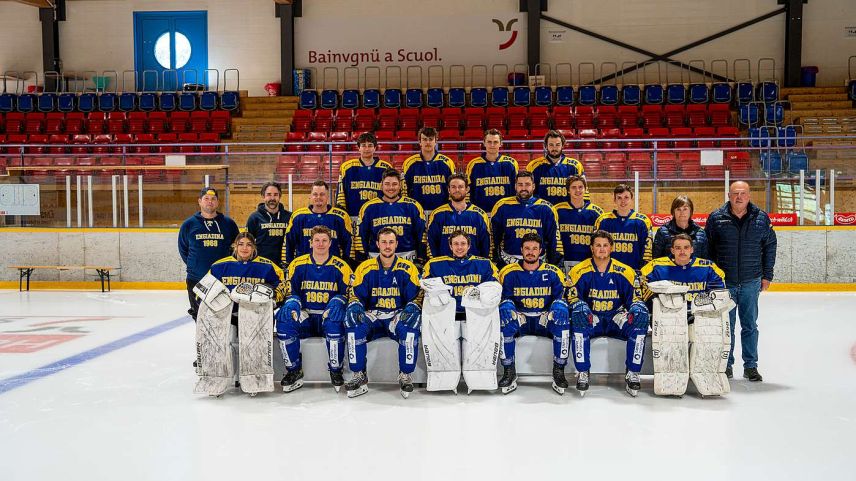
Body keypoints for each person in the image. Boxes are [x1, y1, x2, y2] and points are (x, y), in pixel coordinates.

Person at [640, 234, 729, 396]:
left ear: (692, 249)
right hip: (668, 318)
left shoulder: (707, 267)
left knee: (709, 336)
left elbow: (719, 293)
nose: (682, 251)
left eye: (686, 248)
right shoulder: (655, 266)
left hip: (697, 317)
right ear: (672, 250)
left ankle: (707, 378)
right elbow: (643, 288)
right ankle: (670, 380)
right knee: (673, 337)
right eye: (678, 248)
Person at [705, 181, 776, 382]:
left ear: (749, 195)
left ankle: (751, 366)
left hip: (751, 281)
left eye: (743, 193)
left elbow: (770, 246)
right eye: (735, 193)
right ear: (728, 194)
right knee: (726, 326)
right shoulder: (716, 218)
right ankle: (726, 365)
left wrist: (766, 275)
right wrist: (711, 277)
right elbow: (707, 249)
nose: (739, 197)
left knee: (750, 325)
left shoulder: (761, 218)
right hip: (724, 283)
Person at [200, 232, 286, 395]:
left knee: (255, 344)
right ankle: (215, 376)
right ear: (235, 246)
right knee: (216, 340)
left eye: (248, 244)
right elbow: (206, 290)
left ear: (254, 247)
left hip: (256, 316)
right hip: (227, 316)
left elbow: (280, 287)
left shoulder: (267, 266)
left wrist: (274, 297)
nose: (244, 248)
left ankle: (255, 377)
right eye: (241, 244)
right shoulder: (219, 266)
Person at [344, 227, 423, 398]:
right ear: (378, 244)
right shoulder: (365, 267)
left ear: (396, 244)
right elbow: (355, 295)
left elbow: (417, 296)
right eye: (384, 242)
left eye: (391, 242)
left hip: (396, 315)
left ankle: (405, 374)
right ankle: (359, 375)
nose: (387, 246)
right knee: (353, 327)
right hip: (373, 315)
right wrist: (355, 304)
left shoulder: (408, 268)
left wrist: (413, 306)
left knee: (410, 330)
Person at [569, 230, 649, 397]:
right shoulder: (578, 270)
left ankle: (633, 372)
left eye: (605, 245)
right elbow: (572, 297)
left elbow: (635, 299)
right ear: (591, 248)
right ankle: (583, 371)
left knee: (640, 318)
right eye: (598, 245)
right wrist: (579, 306)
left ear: (611, 248)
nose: (602, 248)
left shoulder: (625, 271)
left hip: (616, 317)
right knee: (579, 316)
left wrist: (636, 307)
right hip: (593, 316)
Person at [276, 226, 353, 393]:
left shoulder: (341, 266)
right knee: (284, 323)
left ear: (330, 243)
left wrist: (338, 301)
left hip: (327, 315)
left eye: (324, 240)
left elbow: (348, 292)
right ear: (310, 243)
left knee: (335, 323)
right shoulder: (298, 264)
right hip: (305, 314)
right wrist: (292, 303)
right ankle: (294, 370)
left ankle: (336, 370)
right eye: (317, 240)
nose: (320, 244)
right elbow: (290, 291)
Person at [497, 233, 571, 395]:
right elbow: (505, 297)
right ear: (521, 250)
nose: (531, 252)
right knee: (504, 321)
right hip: (521, 317)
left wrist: (559, 306)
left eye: (534, 249)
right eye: (527, 248)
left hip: (543, 318)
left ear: (541, 251)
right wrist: (506, 305)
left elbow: (561, 298)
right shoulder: (508, 272)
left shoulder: (553, 272)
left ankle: (559, 370)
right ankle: (509, 370)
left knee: (563, 324)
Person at [178, 187, 240, 321]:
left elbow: (237, 248)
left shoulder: (228, 224)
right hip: (197, 278)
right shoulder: (188, 224)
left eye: (213, 199)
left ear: (218, 202)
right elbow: (183, 249)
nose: (210, 202)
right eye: (206, 198)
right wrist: (195, 266)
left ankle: (224, 342)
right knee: (199, 315)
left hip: (223, 279)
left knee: (225, 315)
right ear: (199, 201)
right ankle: (203, 342)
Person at [490, 170, 562, 268]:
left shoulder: (546, 208)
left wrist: (554, 263)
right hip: (508, 262)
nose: (523, 188)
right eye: (520, 184)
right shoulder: (502, 206)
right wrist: (494, 259)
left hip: (538, 262)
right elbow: (494, 238)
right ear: (515, 186)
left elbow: (553, 240)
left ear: (533, 186)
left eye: (527, 184)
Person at [422, 230, 499, 316]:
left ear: (469, 246)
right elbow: (425, 289)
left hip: (476, 316)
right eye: (455, 244)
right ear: (450, 246)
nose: (459, 247)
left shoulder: (485, 264)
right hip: (446, 317)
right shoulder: (434, 265)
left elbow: (494, 288)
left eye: (463, 243)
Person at [357, 169, 426, 263]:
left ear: (400, 185)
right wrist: (361, 259)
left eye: (394, 184)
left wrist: (421, 258)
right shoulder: (368, 207)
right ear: (381, 185)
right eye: (387, 184)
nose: (391, 188)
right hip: (376, 260)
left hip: (408, 260)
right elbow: (361, 236)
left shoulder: (413, 206)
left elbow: (422, 234)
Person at [283, 180, 353, 265]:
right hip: (304, 268)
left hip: (332, 268)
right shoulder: (298, 216)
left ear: (328, 196)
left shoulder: (341, 217)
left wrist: (345, 265)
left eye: (322, 194)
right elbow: (289, 243)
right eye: (315, 194)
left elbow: (348, 245)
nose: (318, 197)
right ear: (310, 196)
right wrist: (288, 264)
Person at [425, 173, 492, 259]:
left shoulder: (480, 215)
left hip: (473, 268)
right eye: (453, 187)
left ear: (467, 189)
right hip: (445, 268)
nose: (457, 190)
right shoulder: (438, 214)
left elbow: (486, 246)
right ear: (448, 190)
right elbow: (431, 243)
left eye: (460, 187)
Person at [336, 132, 393, 226]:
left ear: (375, 148)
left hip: (380, 218)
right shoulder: (346, 168)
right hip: (353, 218)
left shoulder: (386, 168)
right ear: (358, 148)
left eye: (370, 145)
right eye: (363, 145)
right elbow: (340, 196)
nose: (367, 149)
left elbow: (392, 194)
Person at [593, 183, 652, 271]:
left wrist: (642, 271)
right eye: (619, 198)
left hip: (634, 272)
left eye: (626, 197)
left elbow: (647, 251)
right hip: (608, 271)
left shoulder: (643, 221)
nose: (623, 201)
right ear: (615, 200)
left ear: (632, 199)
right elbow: (595, 248)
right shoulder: (603, 220)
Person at [401, 127, 457, 216]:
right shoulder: (409, 163)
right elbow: (404, 190)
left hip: (442, 213)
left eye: (431, 139)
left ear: (436, 141)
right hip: (417, 213)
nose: (427, 142)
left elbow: (454, 188)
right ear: (420, 142)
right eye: (424, 139)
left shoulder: (447, 162)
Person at [554, 175, 603, 273]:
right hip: (563, 262)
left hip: (588, 262)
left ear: (585, 189)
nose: (577, 190)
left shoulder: (597, 212)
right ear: (568, 190)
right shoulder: (557, 210)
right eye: (573, 187)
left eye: (580, 187)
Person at [465, 129, 519, 213]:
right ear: (484, 143)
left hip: (506, 213)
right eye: (489, 142)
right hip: (481, 213)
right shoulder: (473, 164)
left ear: (501, 143)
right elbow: (467, 190)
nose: (492, 145)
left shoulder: (511, 163)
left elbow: (517, 189)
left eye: (496, 142)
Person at [526, 130, 585, 206]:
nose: (554, 148)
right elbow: (528, 192)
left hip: (567, 213)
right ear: (546, 146)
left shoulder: (575, 166)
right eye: (551, 145)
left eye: (557, 145)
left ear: (562, 145)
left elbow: (584, 192)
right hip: (543, 212)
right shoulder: (533, 166)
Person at [246, 181, 291, 268]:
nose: (272, 198)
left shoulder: (289, 217)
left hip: (284, 267)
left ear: (280, 196)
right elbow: (248, 243)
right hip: (261, 266)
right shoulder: (254, 217)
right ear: (263, 196)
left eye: (275, 194)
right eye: (269, 194)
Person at [652, 195, 708, 259]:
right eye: (678, 209)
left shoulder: (700, 233)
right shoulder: (663, 232)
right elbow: (656, 259)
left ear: (691, 211)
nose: (682, 212)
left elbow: (705, 260)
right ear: (673, 212)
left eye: (685, 209)